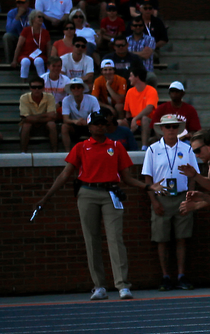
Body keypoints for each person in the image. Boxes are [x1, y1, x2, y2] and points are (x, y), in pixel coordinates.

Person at [33, 109, 148, 300]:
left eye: (103, 123)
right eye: (96, 123)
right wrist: (46, 197)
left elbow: (127, 177)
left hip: (111, 192)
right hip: (87, 193)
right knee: (91, 240)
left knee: (115, 238)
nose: (100, 126)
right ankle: (99, 285)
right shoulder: (81, 147)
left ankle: (122, 284)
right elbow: (65, 174)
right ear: (89, 126)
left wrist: (148, 187)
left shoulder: (116, 146)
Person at [142, 113, 196, 290]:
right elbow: (148, 179)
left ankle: (181, 275)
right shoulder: (152, 149)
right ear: (161, 129)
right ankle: (165, 276)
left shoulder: (187, 149)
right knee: (161, 239)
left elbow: (194, 175)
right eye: (168, 127)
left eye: (174, 126)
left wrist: (190, 197)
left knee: (182, 238)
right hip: (162, 197)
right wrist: (154, 201)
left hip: (181, 196)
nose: (171, 129)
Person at [19, 75, 57, 151]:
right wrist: (45, 115)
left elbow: (53, 116)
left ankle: (55, 151)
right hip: (34, 124)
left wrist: (32, 118)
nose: (36, 89)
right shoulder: (24, 97)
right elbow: (25, 118)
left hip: (44, 125)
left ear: (43, 88)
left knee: (52, 124)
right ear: (30, 88)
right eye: (34, 87)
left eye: (39, 87)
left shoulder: (50, 97)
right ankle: (23, 153)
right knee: (26, 125)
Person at [123, 66, 159, 146]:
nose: (129, 78)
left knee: (145, 119)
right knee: (120, 123)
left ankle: (144, 147)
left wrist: (135, 118)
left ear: (137, 77)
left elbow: (149, 108)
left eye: (131, 76)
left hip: (149, 123)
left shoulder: (151, 90)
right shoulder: (130, 92)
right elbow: (128, 114)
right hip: (134, 122)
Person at [61, 77, 99, 150]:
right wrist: (75, 121)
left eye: (78, 87)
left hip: (90, 125)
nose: (76, 89)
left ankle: (97, 150)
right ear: (71, 90)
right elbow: (65, 119)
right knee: (64, 127)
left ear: (82, 89)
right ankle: (67, 152)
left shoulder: (92, 99)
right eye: (73, 87)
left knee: (97, 125)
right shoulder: (66, 100)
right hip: (74, 125)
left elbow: (97, 117)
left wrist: (88, 122)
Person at [14, 10, 51, 79]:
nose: (41, 18)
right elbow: (19, 46)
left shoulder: (45, 32)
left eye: (42, 17)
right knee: (25, 61)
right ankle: (23, 82)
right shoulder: (26, 30)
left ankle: (43, 80)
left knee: (39, 61)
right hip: (26, 55)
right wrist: (15, 60)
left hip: (40, 55)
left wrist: (49, 59)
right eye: (39, 17)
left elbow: (49, 48)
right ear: (33, 19)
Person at [5, 0, 31, 66]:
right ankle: (9, 62)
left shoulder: (33, 13)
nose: (20, 5)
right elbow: (9, 30)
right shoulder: (12, 13)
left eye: (22, 3)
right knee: (7, 36)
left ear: (27, 3)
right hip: (16, 37)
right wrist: (18, 16)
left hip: (29, 38)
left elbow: (42, 28)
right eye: (18, 3)